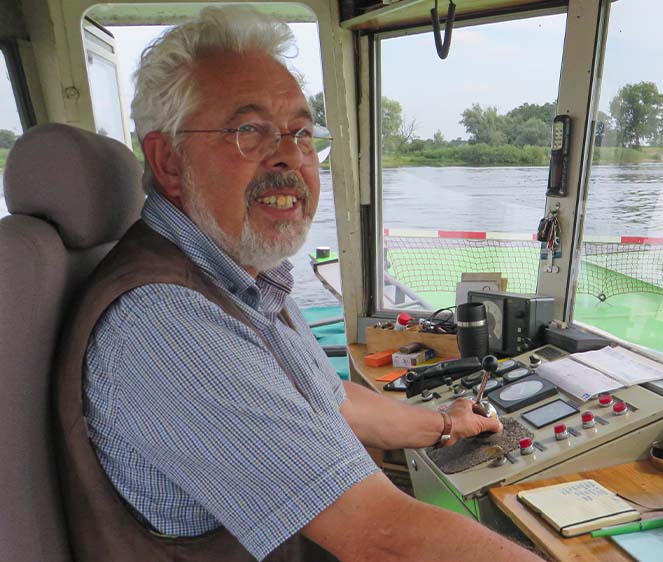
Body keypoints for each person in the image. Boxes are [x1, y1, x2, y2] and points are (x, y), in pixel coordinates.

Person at [77, 6, 543, 562]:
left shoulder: (239, 277)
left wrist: (445, 423)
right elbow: (380, 539)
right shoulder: (165, 323)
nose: (290, 156)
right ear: (169, 161)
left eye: (300, 132)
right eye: (249, 131)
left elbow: (325, 401)